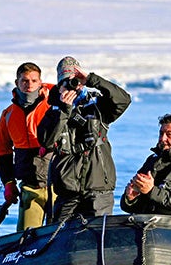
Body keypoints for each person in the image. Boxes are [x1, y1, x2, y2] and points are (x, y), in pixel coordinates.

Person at [37, 56, 131, 222]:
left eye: (76, 81)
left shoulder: (98, 106)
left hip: (98, 190)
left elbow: (123, 100)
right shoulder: (53, 112)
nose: (73, 86)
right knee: (59, 239)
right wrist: (64, 111)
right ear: (59, 85)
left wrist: (92, 79)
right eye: (67, 82)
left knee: (97, 238)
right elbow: (46, 141)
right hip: (67, 192)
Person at [0, 62, 54, 231]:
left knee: (58, 235)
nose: (29, 85)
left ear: (40, 82)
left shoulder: (54, 106)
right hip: (30, 186)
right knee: (25, 237)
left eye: (34, 81)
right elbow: (1, 150)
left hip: (58, 186)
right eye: (25, 81)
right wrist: (8, 182)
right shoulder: (8, 114)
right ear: (17, 83)